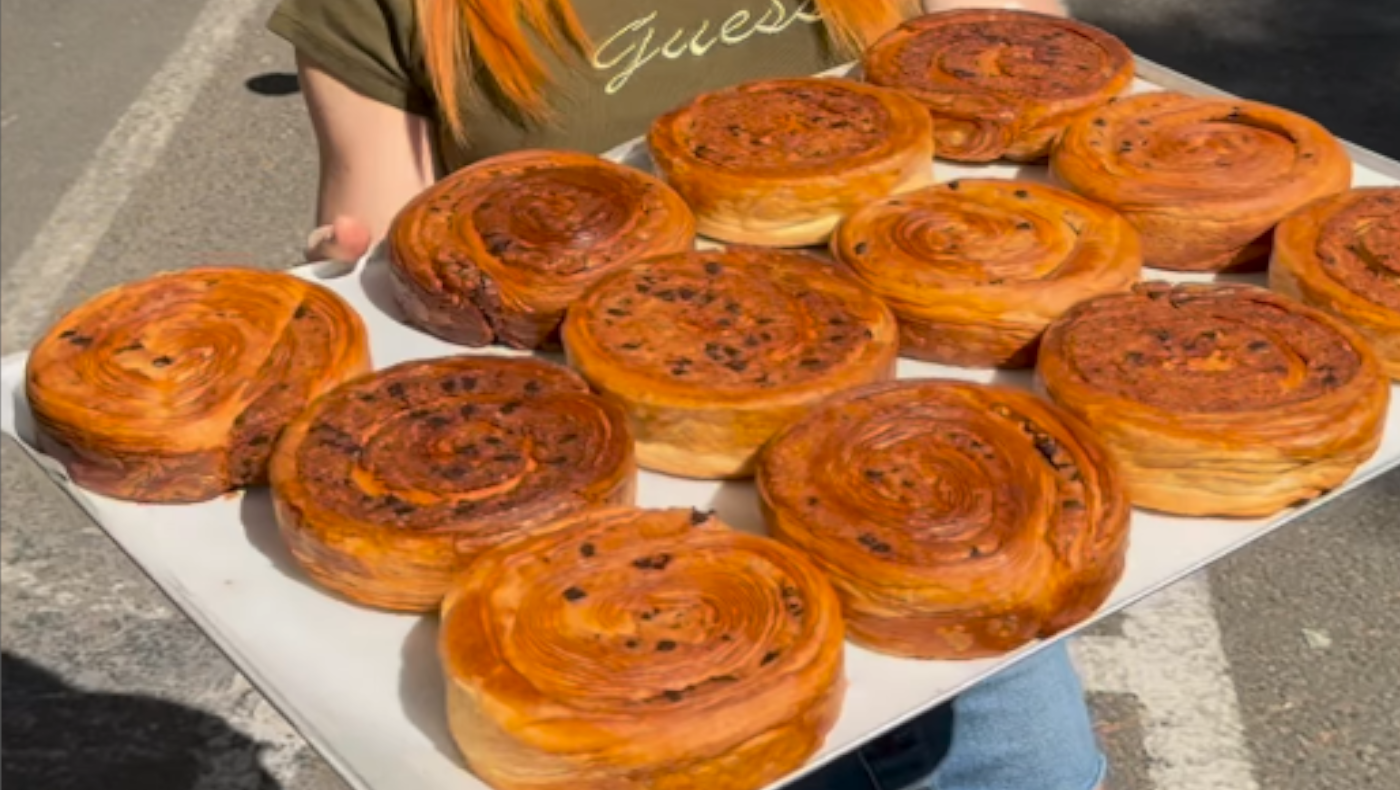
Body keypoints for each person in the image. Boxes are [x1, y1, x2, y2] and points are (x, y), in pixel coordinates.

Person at [267, 1, 1103, 789]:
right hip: (602, 593)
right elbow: (392, 234)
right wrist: (355, 278)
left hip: (955, 512)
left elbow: (1023, 68)